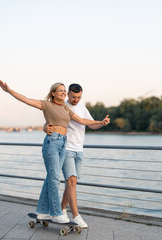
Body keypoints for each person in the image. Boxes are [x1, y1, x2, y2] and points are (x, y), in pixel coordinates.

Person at [0, 80, 110, 224]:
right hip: (52, 143)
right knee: (55, 178)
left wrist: (100, 122)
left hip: (63, 143)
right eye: (61, 90)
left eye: (64, 90)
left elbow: (82, 120)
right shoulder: (46, 104)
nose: (63, 92)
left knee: (51, 177)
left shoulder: (65, 107)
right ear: (53, 93)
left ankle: (42, 211)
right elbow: (26, 100)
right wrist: (10, 91)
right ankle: (56, 213)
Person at [44, 83, 109, 228]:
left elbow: (90, 124)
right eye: (74, 97)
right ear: (68, 94)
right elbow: (49, 122)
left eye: (79, 97)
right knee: (71, 181)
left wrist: (102, 123)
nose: (76, 100)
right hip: (65, 148)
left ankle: (60, 210)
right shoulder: (62, 106)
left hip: (79, 150)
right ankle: (76, 216)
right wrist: (45, 127)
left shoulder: (82, 107)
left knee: (72, 183)